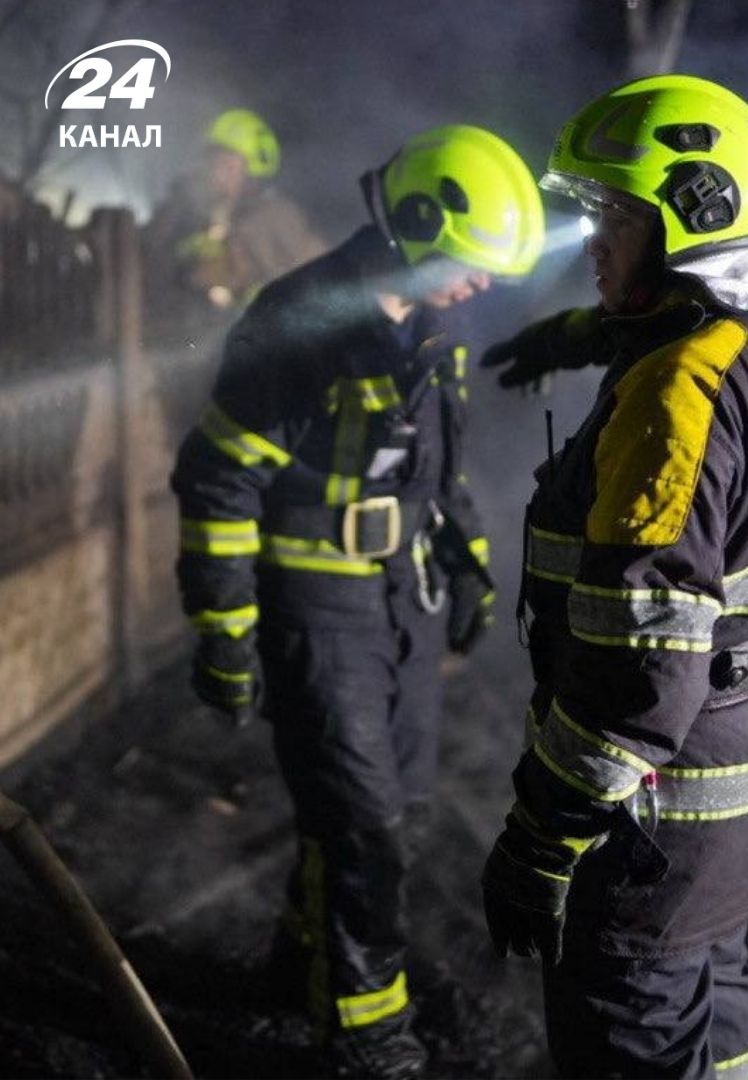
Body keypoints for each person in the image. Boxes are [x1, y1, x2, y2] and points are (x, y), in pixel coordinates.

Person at [170, 124, 544, 1077]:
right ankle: (371, 1034)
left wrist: (468, 563)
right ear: (416, 225)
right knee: (366, 826)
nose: (481, 285)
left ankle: (299, 964)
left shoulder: (430, 322)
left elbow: (438, 469)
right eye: (470, 263)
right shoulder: (303, 320)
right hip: (318, 607)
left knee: (389, 811)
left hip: (402, 600)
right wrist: (225, 632)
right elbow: (218, 479)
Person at [477, 75, 748, 1078]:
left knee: (631, 1031)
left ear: (694, 217)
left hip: (658, 823)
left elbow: (636, 676)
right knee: (718, 1002)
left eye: (615, 219)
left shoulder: (676, 394)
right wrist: (588, 333)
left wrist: (542, 838)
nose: (591, 243)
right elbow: (710, 337)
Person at [146, 108, 326, 317]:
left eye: (227, 165)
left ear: (252, 174)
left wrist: (185, 265)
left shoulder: (274, 219)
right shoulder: (198, 213)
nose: (216, 174)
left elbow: (226, 270)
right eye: (212, 163)